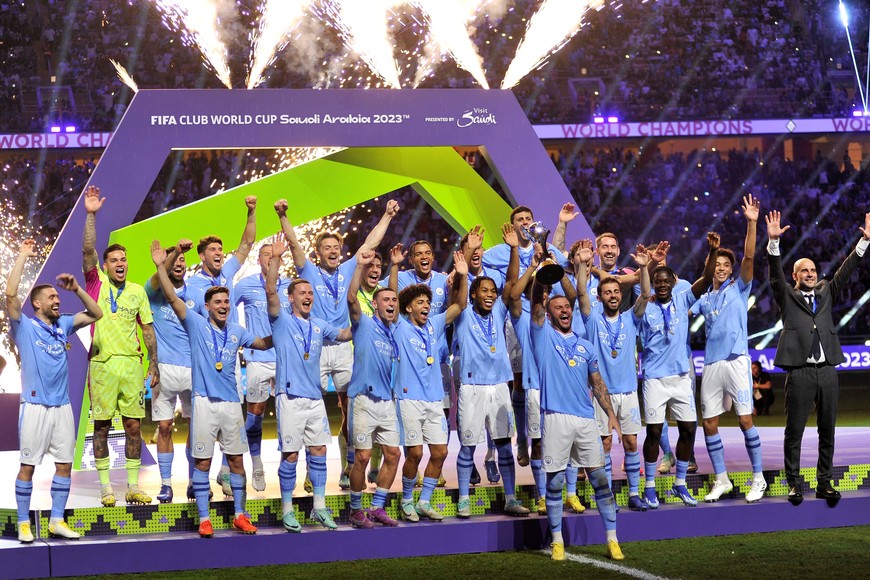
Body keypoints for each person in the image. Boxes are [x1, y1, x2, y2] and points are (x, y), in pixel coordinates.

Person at [151, 239, 272, 538]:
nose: (223, 306)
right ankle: (204, 518)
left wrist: (280, 328)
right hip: (204, 402)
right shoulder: (195, 323)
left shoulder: (237, 331)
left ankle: (240, 515)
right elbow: (169, 294)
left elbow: (263, 343)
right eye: (217, 302)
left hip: (231, 404)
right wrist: (160, 266)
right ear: (206, 307)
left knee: (235, 461)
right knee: (203, 461)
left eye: (226, 302)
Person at [279, 198, 399, 491]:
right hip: (316, 346)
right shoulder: (308, 272)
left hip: (345, 345)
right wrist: (283, 215)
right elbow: (294, 244)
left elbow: (371, 241)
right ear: (318, 253)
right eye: (326, 248)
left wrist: (386, 215)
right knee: (312, 406)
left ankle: (349, 465)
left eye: (336, 247)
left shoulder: (349, 269)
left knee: (351, 406)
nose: (333, 251)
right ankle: (312, 470)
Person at [765, 209, 870, 506]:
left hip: (827, 372)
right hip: (799, 372)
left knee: (828, 429)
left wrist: (863, 244)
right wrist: (774, 244)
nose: (810, 274)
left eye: (813, 270)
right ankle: (795, 484)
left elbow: (845, 271)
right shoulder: (787, 296)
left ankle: (824, 483)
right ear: (795, 277)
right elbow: (775, 276)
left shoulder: (826, 292)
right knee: (794, 430)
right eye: (804, 271)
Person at [8, 239, 102, 543]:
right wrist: (22, 255)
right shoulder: (25, 326)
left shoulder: (63, 324)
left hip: (62, 408)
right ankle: (24, 522)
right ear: (38, 304)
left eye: (57, 296)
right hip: (34, 408)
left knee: (64, 465)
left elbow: (96, 313)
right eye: (51, 296)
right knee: (28, 466)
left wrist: (76, 288)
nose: (56, 299)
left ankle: (56, 520)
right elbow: (10, 294)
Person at [530, 271, 623, 562]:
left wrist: (611, 414)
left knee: (599, 479)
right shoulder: (542, 336)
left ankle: (612, 540)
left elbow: (597, 383)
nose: (565, 310)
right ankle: (557, 541)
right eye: (558, 307)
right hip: (556, 418)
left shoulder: (585, 346)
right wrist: (540, 278)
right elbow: (534, 304)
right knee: (555, 483)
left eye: (567, 307)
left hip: (585, 420)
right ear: (549, 313)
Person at [266, 236, 353, 532]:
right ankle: (287, 509)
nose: (307, 296)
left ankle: (318, 507)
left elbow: (343, 334)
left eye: (310, 293)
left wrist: (368, 323)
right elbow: (270, 291)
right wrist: (277, 258)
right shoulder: (281, 321)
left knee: (318, 451)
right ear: (291, 298)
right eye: (302, 292)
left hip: (315, 399)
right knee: (290, 454)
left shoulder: (318, 324)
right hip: (289, 398)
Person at [81, 185, 159, 508]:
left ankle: (131, 486)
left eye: (123, 259)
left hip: (131, 366)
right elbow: (88, 251)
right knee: (101, 427)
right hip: (102, 366)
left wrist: (153, 363)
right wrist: (91, 215)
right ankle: (104, 488)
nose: (119, 263)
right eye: (113, 260)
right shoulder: (95, 282)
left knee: (133, 426)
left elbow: (148, 330)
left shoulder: (138, 292)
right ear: (106, 265)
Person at [692, 195, 766, 503]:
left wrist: (751, 222)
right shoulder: (703, 298)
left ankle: (758, 477)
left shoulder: (739, 288)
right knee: (709, 423)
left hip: (736, 361)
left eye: (726, 265)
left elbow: (748, 259)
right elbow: (680, 311)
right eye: (717, 264)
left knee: (745, 420)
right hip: (711, 365)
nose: (721, 268)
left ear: (731, 270)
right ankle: (721, 479)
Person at [638, 233, 718, 509]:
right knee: (653, 432)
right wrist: (650, 265)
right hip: (654, 379)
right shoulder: (643, 306)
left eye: (665, 281)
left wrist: (712, 251)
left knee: (688, 430)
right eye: (657, 281)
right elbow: (641, 286)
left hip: (682, 377)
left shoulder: (683, 299)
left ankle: (680, 484)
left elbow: (706, 280)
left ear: (674, 283)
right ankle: (649, 487)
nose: (661, 284)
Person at [455, 224, 529, 519]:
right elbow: (458, 295)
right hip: (472, 387)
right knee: (468, 445)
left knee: (503, 445)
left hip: (499, 384)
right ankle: (463, 499)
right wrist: (469, 250)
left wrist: (513, 248)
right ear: (473, 294)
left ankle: (510, 499)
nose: (489, 295)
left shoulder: (499, 308)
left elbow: (511, 284)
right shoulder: (461, 313)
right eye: (483, 291)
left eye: (492, 292)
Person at [187, 196, 258, 497]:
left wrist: (251, 211)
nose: (219, 253)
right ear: (201, 256)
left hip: (228, 361)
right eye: (213, 250)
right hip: (201, 363)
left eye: (220, 250)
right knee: (199, 422)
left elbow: (246, 244)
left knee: (231, 419)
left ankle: (226, 473)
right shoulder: (192, 285)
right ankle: (195, 477)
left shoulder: (226, 274)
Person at [576, 239, 651, 511]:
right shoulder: (592, 318)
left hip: (628, 392)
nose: (613, 296)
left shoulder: (631, 318)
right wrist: (583, 264)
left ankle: (633, 494)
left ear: (621, 295)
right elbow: (581, 291)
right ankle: (605, 497)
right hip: (601, 395)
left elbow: (644, 294)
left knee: (631, 442)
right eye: (607, 292)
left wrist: (644, 268)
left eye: (616, 292)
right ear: (601, 297)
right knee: (604, 444)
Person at [394, 252, 468, 522]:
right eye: (420, 302)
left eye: (428, 301)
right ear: (408, 308)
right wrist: (393, 267)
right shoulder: (399, 326)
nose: (426, 305)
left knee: (440, 452)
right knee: (414, 452)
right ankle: (406, 500)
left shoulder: (435, 325)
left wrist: (462, 274)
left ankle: (424, 501)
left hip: (434, 398)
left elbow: (459, 305)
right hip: (409, 399)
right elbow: (392, 298)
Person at [345, 251, 402, 529]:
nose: (391, 303)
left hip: (387, 403)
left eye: (393, 300)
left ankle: (377, 506)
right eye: (386, 300)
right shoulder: (364, 324)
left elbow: (395, 298)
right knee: (363, 457)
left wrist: (395, 266)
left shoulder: (395, 332)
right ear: (376, 306)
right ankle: (356, 511)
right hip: (363, 400)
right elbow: (352, 298)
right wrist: (359, 267)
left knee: (393, 455)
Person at [234, 238, 291, 493]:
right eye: (265, 254)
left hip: (285, 360)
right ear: (259, 260)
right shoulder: (245, 286)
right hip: (257, 359)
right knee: (254, 416)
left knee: (287, 417)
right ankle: (256, 464)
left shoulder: (290, 286)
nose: (270, 258)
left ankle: (286, 467)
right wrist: (237, 339)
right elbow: (221, 308)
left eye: (273, 254)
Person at [145, 242, 197, 503]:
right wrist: (174, 252)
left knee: (196, 427)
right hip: (163, 369)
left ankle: (193, 481)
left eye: (182, 261)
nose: (179, 264)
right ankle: (166, 484)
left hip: (193, 369)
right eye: (174, 261)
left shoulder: (195, 294)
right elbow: (158, 276)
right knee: (164, 427)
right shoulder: (152, 292)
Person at [354, 250, 387, 484]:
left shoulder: (384, 294)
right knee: (349, 417)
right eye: (370, 265)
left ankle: (375, 467)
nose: (375, 269)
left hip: (380, 362)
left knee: (380, 413)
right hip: (353, 359)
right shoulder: (354, 291)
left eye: (378, 265)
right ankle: (350, 465)